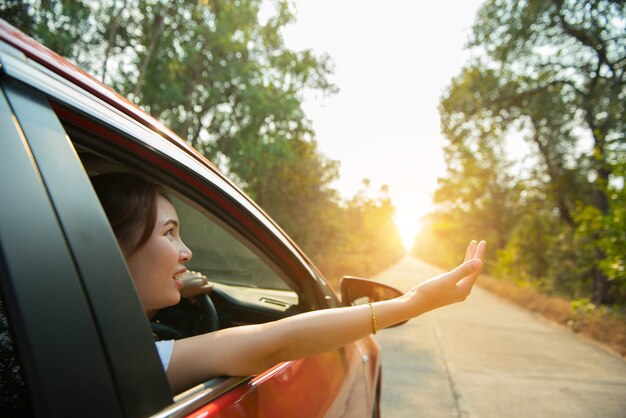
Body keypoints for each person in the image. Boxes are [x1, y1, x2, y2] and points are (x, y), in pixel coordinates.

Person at [92, 173, 487, 393]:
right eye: (170, 233)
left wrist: (181, 290)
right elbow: (274, 342)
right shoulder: (122, 359)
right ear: (112, 248)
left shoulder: (75, 338)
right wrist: (414, 301)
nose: (186, 252)